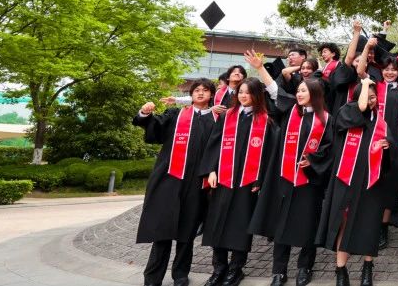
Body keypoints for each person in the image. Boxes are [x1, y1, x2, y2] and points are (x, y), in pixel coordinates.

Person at [246, 52, 334, 286]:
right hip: (283, 178)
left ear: (315, 93)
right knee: (280, 224)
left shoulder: (326, 119)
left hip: (309, 182)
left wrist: (313, 160)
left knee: (308, 225)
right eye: (298, 91)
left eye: (304, 91)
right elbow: (274, 90)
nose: (299, 94)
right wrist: (260, 68)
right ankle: (279, 270)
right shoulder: (290, 110)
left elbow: (329, 149)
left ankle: (305, 267)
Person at [134, 79, 217, 286]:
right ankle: (153, 277)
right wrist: (145, 113)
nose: (200, 93)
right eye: (196, 90)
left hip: (196, 184)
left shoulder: (217, 120)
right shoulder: (176, 115)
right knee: (162, 230)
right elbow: (154, 128)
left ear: (211, 95)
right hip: (169, 180)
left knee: (187, 232)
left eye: (205, 90)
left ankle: (180, 275)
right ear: (191, 94)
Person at [200, 77, 278, 286]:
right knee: (217, 223)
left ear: (257, 95)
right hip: (223, 180)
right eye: (240, 92)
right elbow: (214, 144)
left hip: (246, 183)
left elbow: (269, 155)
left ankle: (236, 269)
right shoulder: (227, 116)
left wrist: (260, 179)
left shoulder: (266, 121)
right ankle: (219, 268)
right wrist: (211, 170)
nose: (243, 96)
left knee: (240, 226)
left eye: (248, 92)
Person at [317, 79, 394, 286]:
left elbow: (390, 159)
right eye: (366, 96)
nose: (370, 101)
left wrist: (387, 147)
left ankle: (367, 268)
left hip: (371, 182)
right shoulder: (346, 113)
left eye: (373, 97)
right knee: (343, 223)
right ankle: (341, 270)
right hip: (346, 178)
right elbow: (358, 110)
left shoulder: (381, 123)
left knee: (369, 223)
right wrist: (366, 83)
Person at [369, 50, 398, 251]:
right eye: (386, 69)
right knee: (372, 186)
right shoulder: (374, 89)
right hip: (373, 145)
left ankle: (383, 228)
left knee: (391, 189)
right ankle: (369, 224)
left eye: (393, 69)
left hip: (396, 149)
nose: (389, 72)